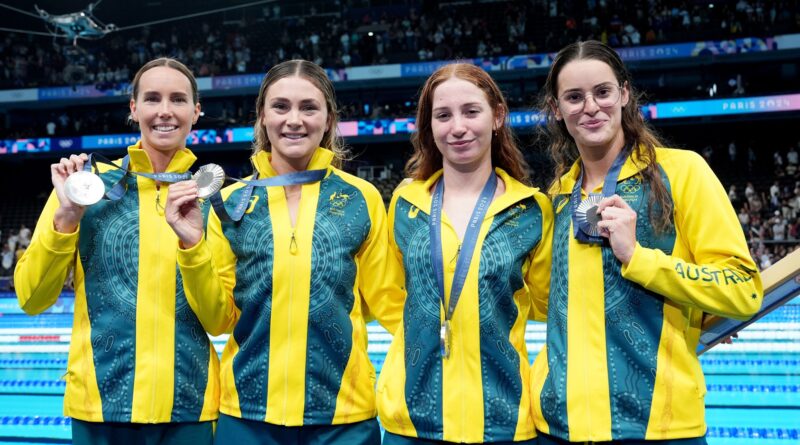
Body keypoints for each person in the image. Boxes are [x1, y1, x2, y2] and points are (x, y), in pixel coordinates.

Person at [530, 40, 763, 444]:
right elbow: (545, 303)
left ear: (623, 94)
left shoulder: (683, 172)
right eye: (574, 97)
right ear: (556, 108)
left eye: (602, 92)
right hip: (557, 428)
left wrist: (640, 258)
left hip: (659, 429)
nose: (590, 107)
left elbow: (742, 288)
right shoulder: (556, 197)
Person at [165, 59, 402, 445]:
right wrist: (191, 246)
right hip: (247, 415)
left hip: (343, 416)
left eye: (309, 107)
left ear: (328, 119)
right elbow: (218, 319)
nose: (294, 120)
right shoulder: (229, 203)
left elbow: (388, 304)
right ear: (262, 117)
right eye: (281, 107)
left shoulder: (362, 199)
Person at [15, 58, 219, 444]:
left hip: (189, 407)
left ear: (196, 110)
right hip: (98, 405)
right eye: (152, 98)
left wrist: (192, 245)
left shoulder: (215, 202)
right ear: (133, 108)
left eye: (178, 99)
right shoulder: (83, 189)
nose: (164, 111)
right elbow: (31, 298)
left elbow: (220, 318)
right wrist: (67, 219)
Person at [377, 63, 552, 444]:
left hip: (504, 419)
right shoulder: (405, 203)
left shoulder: (533, 209)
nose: (458, 127)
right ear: (430, 127)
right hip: (411, 421)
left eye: (471, 111)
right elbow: (391, 297)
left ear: (497, 116)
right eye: (443, 115)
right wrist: (424, 340)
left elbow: (548, 305)